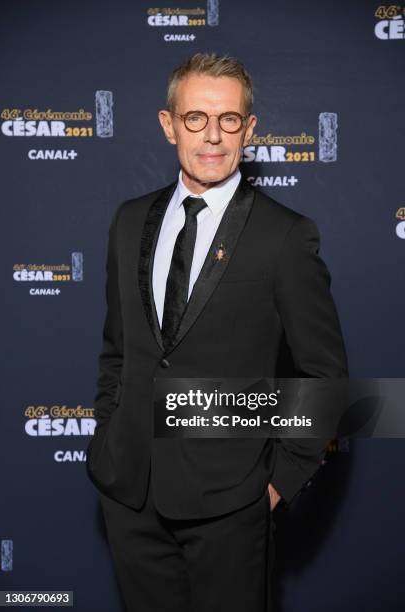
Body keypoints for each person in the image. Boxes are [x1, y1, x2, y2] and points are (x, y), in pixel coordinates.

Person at [86, 52, 348, 612]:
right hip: (129, 495)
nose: (213, 136)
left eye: (229, 119)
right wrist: (108, 438)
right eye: (195, 119)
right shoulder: (128, 221)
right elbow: (119, 351)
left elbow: (324, 378)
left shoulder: (285, 237)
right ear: (168, 125)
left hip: (231, 508)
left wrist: (274, 485)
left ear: (249, 129)